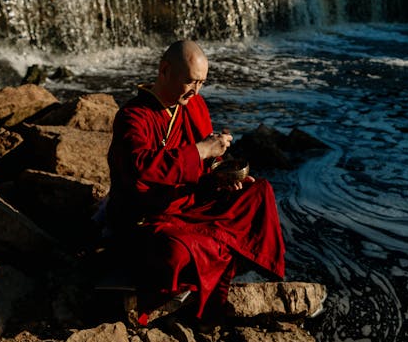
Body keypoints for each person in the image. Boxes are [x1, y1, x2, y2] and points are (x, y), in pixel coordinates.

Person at [106, 39, 285, 323]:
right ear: (164, 70)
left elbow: (207, 164)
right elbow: (141, 167)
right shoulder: (133, 116)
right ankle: (211, 270)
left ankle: (213, 260)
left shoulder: (194, 104)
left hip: (191, 202)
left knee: (258, 192)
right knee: (175, 251)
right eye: (190, 81)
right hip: (149, 216)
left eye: (202, 82)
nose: (196, 90)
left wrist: (222, 174)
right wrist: (202, 149)